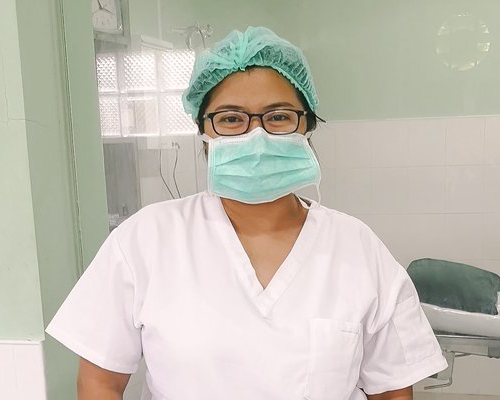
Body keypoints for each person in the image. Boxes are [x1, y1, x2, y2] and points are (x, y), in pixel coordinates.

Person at [47, 26, 447, 400]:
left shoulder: (357, 249)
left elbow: (392, 389)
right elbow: (100, 378)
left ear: (306, 125)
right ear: (204, 131)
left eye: (278, 117)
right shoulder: (145, 240)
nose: (256, 136)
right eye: (232, 119)